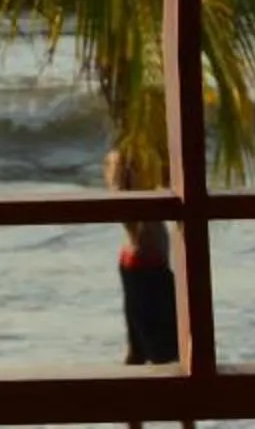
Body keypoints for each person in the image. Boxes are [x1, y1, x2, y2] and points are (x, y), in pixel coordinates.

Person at [102, 147, 179, 365]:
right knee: (164, 352)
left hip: (137, 260)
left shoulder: (122, 154)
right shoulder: (133, 155)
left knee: (140, 350)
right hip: (148, 263)